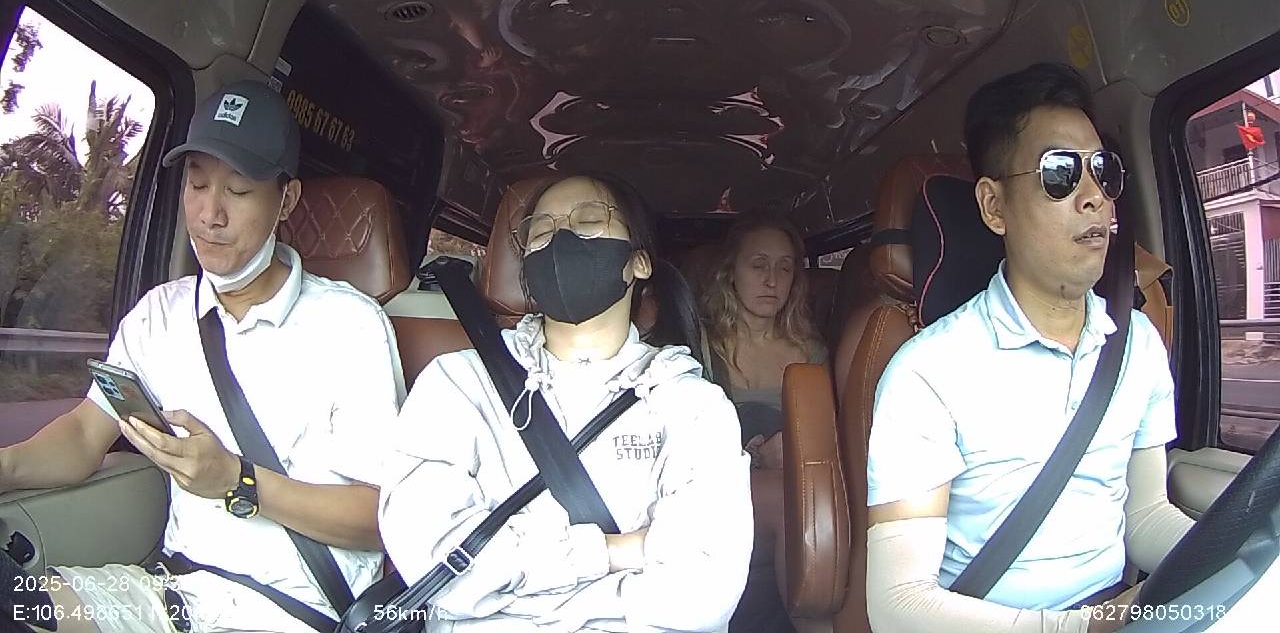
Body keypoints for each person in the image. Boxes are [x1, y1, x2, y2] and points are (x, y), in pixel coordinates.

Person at [0, 80, 405, 633]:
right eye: (196, 184)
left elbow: (378, 517)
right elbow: (83, 434)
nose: (210, 214)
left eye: (238, 190)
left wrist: (237, 481)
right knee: (19, 605)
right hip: (169, 597)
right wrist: (6, 467)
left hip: (291, 614)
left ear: (286, 200)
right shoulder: (158, 315)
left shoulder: (351, 326)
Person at [864, 63, 1196, 633]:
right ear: (994, 207)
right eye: (1060, 173)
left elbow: (1144, 514)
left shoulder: (1138, 343)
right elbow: (899, 604)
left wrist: (1229, 556)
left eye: (1103, 171)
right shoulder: (927, 372)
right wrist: (1081, 628)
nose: (1094, 198)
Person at [378, 174, 753, 631]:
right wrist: (615, 552)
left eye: (589, 221)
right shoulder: (457, 383)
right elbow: (437, 566)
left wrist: (514, 586)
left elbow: (705, 590)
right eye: (541, 231)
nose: (561, 239)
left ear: (638, 263)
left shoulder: (690, 403)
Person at [701, 212, 827, 469]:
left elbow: (827, 441)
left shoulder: (812, 355)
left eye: (784, 268)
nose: (772, 281)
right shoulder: (699, 348)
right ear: (731, 272)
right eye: (759, 265)